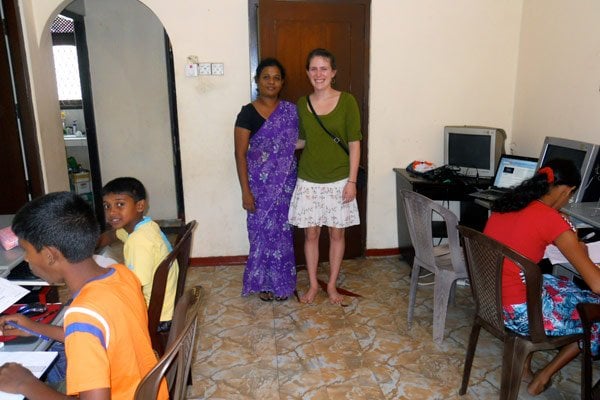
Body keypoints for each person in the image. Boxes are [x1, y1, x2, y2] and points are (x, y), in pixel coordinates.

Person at [0, 192, 167, 399]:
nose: (26, 259)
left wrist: (24, 384)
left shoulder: (83, 315)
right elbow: (99, 334)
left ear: (50, 255)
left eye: (27, 251)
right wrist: (33, 327)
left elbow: (86, 329)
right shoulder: (122, 275)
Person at [484, 158, 600, 396]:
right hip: (518, 313)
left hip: (490, 299)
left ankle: (526, 365)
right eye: (569, 196)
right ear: (568, 190)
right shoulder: (550, 219)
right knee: (595, 309)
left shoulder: (508, 204)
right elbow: (597, 284)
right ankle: (545, 374)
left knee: (564, 284)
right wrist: (578, 247)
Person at [288, 48, 362, 305]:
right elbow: (303, 140)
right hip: (309, 179)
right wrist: (275, 145)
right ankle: (312, 284)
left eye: (323, 68)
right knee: (310, 235)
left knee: (337, 235)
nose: (318, 74)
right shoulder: (302, 103)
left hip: (340, 180)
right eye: (313, 69)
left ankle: (331, 285)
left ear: (333, 73)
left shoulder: (347, 101)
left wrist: (352, 182)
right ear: (308, 72)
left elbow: (354, 144)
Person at [234, 57, 298, 302]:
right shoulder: (247, 113)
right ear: (257, 81)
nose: (271, 82)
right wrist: (245, 191)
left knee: (283, 233)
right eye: (266, 77)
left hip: (285, 184)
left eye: (276, 77)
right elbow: (240, 154)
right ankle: (263, 283)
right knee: (260, 233)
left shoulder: (291, 112)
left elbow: (296, 143)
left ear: (282, 82)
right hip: (258, 187)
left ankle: (283, 283)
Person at [97, 177, 177, 328]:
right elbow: (112, 235)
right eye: (107, 206)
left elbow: (135, 286)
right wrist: (85, 246)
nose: (112, 212)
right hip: (166, 305)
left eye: (120, 204)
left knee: (101, 308)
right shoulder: (146, 225)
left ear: (140, 205)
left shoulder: (138, 241)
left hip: (157, 314)